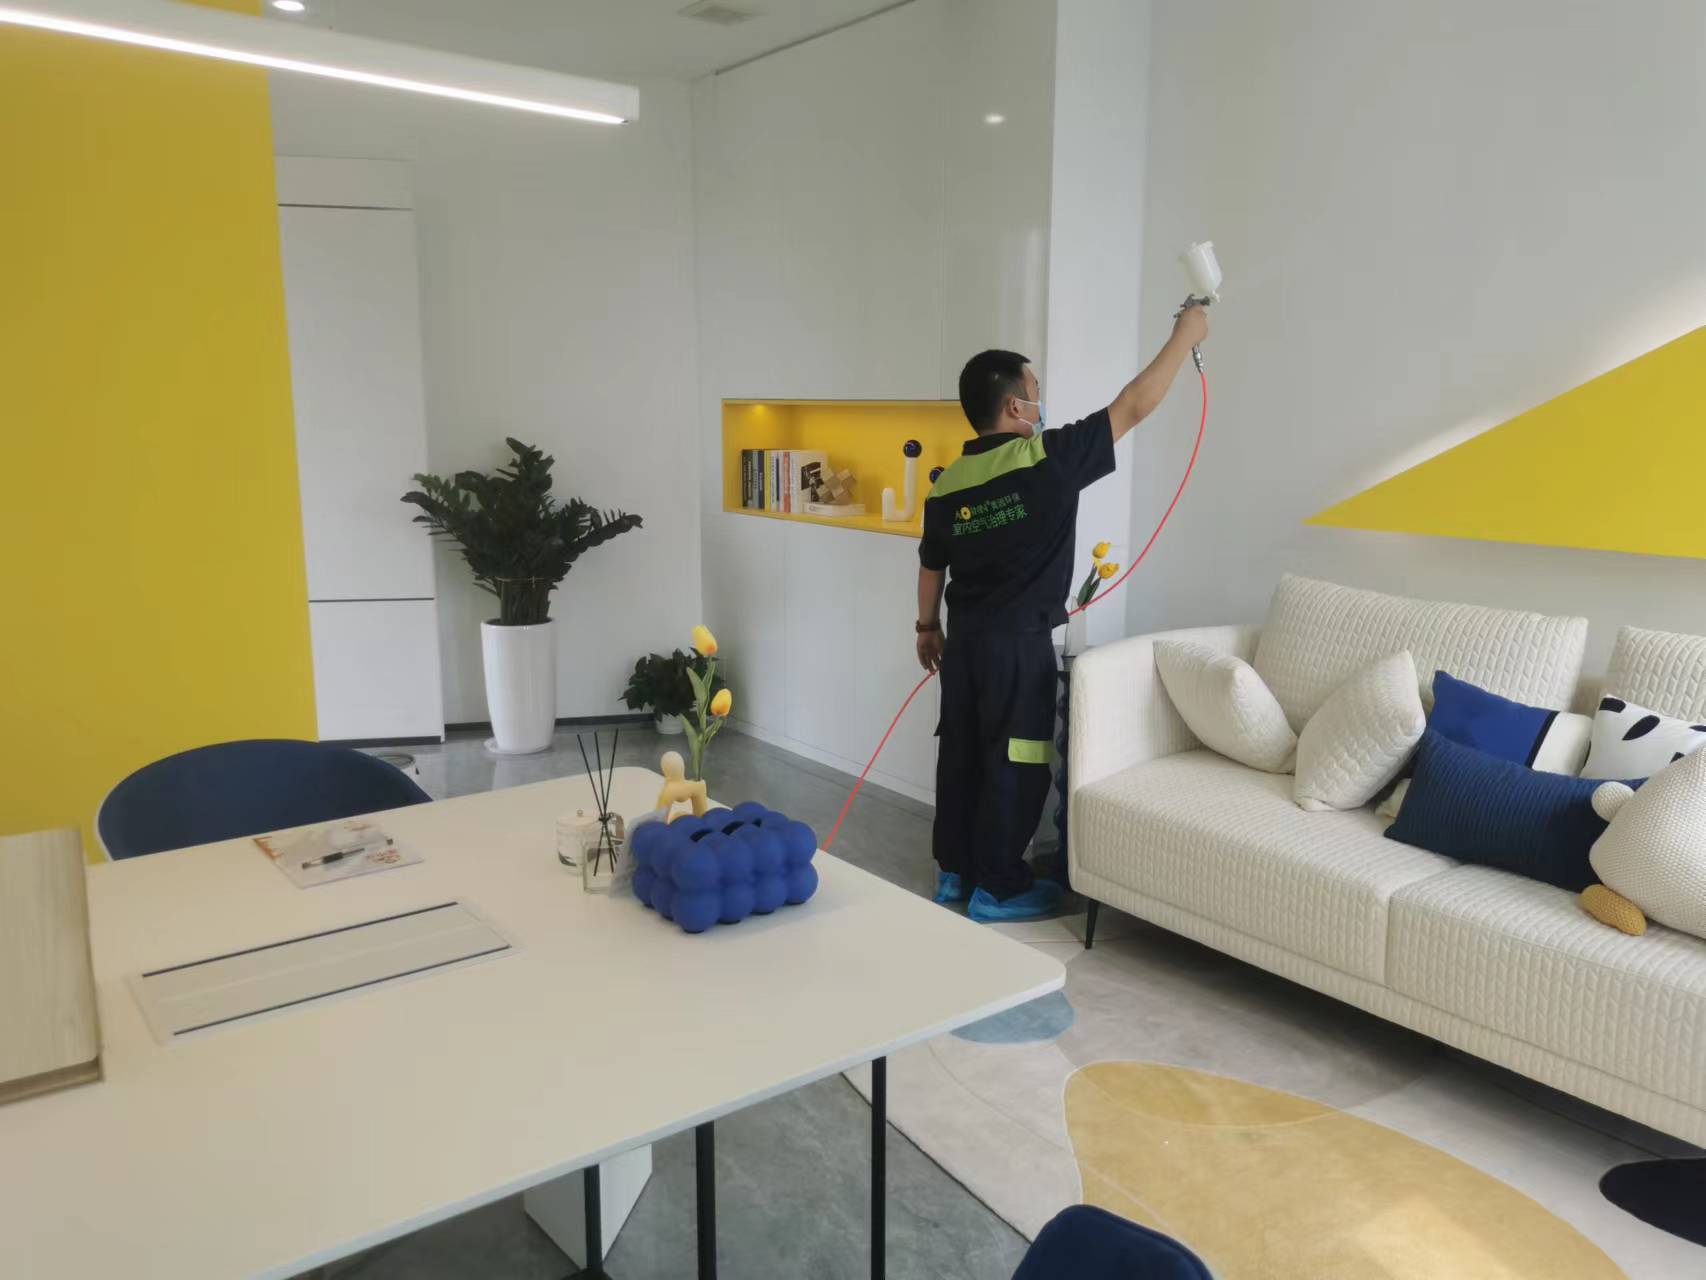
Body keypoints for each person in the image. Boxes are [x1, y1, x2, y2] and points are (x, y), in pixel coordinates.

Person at [916, 303, 1210, 922]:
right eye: (1035, 390)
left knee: (962, 754)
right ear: (1014, 406)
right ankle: (1000, 888)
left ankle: (955, 874)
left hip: (963, 646)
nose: (1040, 401)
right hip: (1019, 647)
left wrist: (926, 628)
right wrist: (1185, 336)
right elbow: (1133, 405)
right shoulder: (1045, 458)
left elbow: (931, 564)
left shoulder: (947, 483)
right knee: (1018, 760)